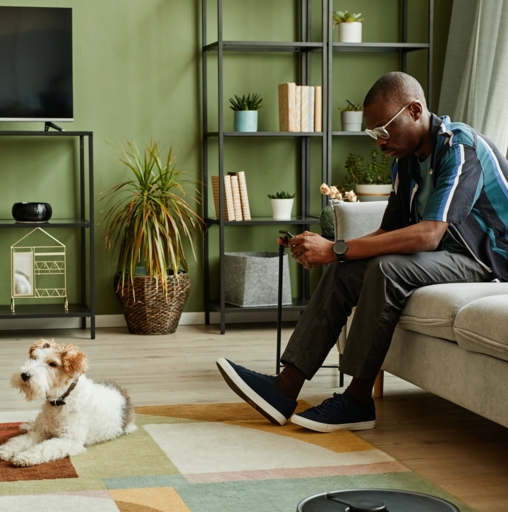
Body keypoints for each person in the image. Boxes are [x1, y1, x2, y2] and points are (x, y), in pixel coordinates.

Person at [216, 71, 508, 433]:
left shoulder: (460, 149)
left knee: (386, 268)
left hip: (488, 260)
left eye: (384, 129)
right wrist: (334, 254)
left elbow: (430, 234)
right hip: (443, 256)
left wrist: (336, 247)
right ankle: (284, 387)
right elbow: (390, 230)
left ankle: (356, 399)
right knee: (346, 269)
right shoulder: (405, 161)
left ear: (415, 110)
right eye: (373, 134)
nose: (379, 142)